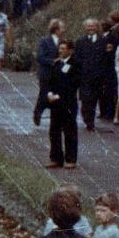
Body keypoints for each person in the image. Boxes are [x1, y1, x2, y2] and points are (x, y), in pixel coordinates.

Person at [44, 40, 81, 169]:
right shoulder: (57, 63)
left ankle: (71, 159)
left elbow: (74, 84)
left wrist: (59, 96)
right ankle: (55, 158)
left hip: (68, 102)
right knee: (54, 131)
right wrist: (50, 94)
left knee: (69, 131)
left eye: (64, 48)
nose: (61, 51)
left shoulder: (76, 64)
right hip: (55, 103)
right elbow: (50, 81)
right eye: (60, 48)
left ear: (70, 50)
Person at [32, 20, 64, 126]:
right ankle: (38, 112)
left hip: (58, 74)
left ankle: (57, 119)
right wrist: (53, 61)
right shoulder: (44, 41)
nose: (64, 30)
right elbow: (40, 57)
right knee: (44, 94)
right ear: (56, 29)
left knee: (57, 95)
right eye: (62, 28)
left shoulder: (64, 41)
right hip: (46, 73)